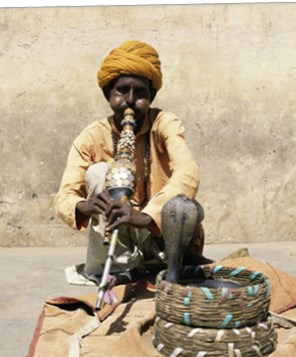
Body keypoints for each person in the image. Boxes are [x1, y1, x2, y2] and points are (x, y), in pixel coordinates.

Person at [54, 40, 209, 286]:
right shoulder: (91, 136)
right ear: (108, 94)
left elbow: (188, 173)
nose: (129, 100)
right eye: (121, 91)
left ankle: (168, 267)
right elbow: (64, 197)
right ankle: (118, 267)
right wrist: (87, 205)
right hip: (117, 239)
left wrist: (145, 217)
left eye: (140, 94)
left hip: (157, 238)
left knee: (186, 205)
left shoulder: (165, 123)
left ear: (151, 96)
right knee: (98, 172)